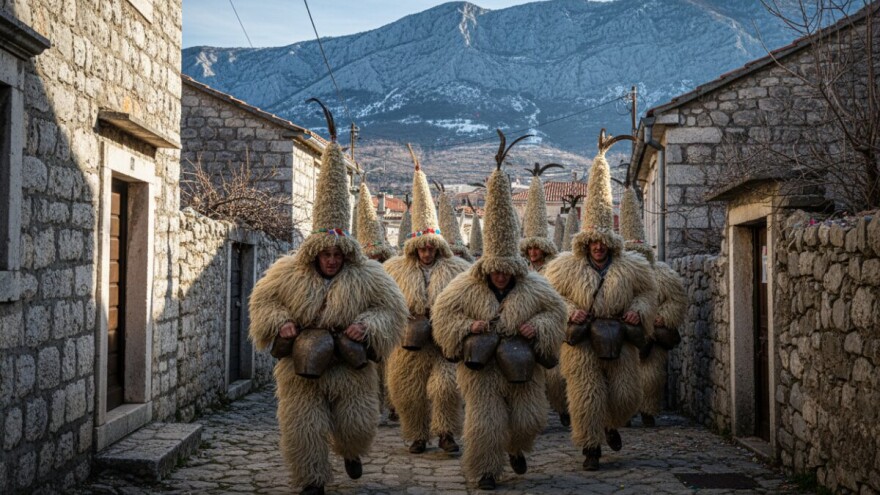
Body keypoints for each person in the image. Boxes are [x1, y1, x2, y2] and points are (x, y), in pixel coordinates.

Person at [248, 100, 407, 495]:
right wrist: (280, 321)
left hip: (350, 366)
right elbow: (263, 302)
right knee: (303, 426)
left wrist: (367, 326)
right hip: (301, 363)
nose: (332, 260)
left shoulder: (369, 275)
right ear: (315, 252)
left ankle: (351, 452)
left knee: (355, 426)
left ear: (346, 253)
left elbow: (391, 309)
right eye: (326, 254)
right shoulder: (287, 272)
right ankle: (312, 479)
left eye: (337, 254)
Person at [433, 131, 566, 490]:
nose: (501, 275)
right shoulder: (465, 286)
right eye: (496, 270)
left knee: (528, 419)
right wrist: (469, 326)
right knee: (485, 422)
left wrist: (537, 327)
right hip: (483, 367)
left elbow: (556, 314)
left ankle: (517, 447)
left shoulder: (535, 286)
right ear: (487, 267)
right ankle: (486, 470)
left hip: (523, 363)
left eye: (507, 270)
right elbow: (443, 316)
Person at [543, 141, 657, 471]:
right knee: (586, 396)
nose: (598, 247)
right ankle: (590, 446)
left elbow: (647, 294)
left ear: (610, 243)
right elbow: (552, 299)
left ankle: (611, 424)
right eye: (593, 242)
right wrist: (570, 310)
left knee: (625, 396)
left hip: (620, 338)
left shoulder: (632, 267)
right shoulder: (564, 268)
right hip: (581, 342)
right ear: (585, 242)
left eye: (602, 242)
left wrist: (638, 310)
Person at [384, 144, 471, 455]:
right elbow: (386, 303)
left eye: (431, 246)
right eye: (422, 247)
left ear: (437, 245)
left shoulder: (458, 269)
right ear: (414, 246)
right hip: (408, 343)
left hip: (445, 342)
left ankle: (446, 432)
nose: (426, 252)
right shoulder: (394, 270)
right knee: (408, 392)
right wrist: (403, 317)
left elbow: (469, 301)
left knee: (446, 387)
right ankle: (417, 434)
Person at [618, 187, 687, 427]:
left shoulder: (662, 275)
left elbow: (676, 299)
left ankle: (648, 411)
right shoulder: (619, 278)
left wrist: (663, 317)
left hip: (653, 334)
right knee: (624, 377)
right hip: (626, 334)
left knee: (651, 376)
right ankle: (624, 413)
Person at [519, 162, 569, 425]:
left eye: (536, 248)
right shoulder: (521, 271)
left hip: (548, 325)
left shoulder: (555, 269)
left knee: (554, 374)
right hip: (523, 325)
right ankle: (534, 417)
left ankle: (562, 408)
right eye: (530, 249)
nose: (533, 253)